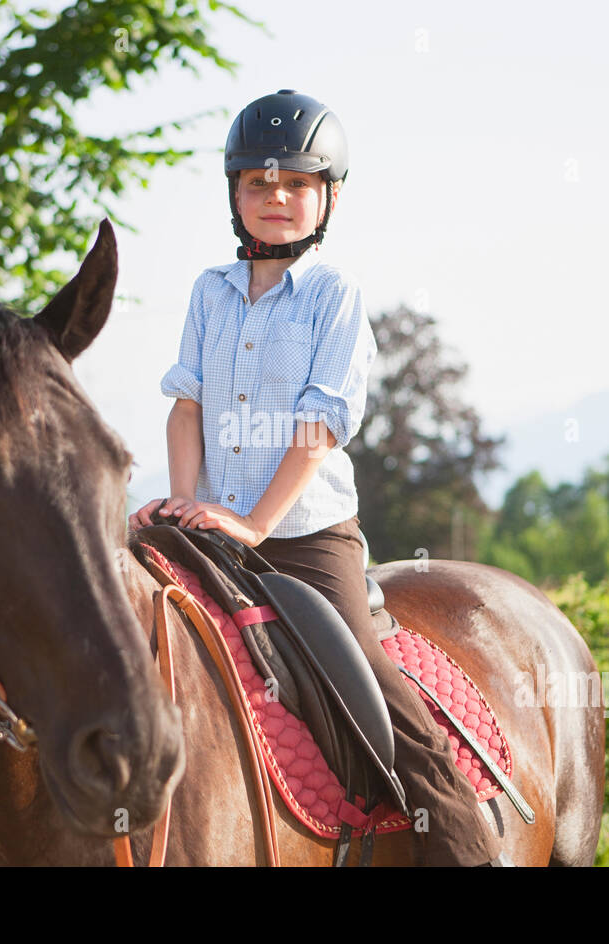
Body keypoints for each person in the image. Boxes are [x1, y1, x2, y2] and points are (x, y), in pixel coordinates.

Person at [129, 90, 500, 866]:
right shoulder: (210, 292)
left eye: (297, 184)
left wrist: (254, 524)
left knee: (371, 688)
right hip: (213, 530)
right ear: (234, 193)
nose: (277, 198)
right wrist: (191, 502)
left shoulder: (335, 296)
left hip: (303, 539)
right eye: (260, 184)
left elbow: (319, 426)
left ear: (327, 196)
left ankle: (462, 840)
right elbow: (186, 405)